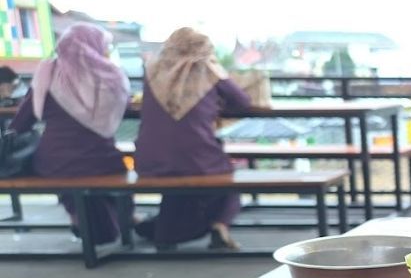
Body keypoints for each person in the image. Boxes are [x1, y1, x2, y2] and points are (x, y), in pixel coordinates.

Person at [9, 24, 132, 244]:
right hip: (101, 158)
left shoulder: (48, 73)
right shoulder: (112, 76)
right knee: (116, 168)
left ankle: (80, 220)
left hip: (53, 161)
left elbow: (22, 121)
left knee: (63, 167)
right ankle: (124, 220)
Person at [134, 27, 251, 250]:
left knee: (179, 173)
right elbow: (241, 102)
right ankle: (220, 225)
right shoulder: (207, 69)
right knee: (227, 177)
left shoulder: (153, 71)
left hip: (149, 159)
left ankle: (168, 232)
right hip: (197, 158)